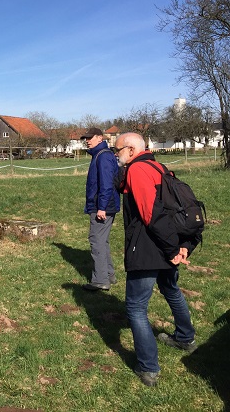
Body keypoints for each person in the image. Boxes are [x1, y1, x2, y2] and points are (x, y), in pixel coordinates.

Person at [114, 132, 198, 387]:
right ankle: (185, 337)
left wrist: (172, 249)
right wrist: (181, 245)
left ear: (131, 150)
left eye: (118, 150)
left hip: (150, 247)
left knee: (136, 307)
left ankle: (148, 367)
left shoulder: (138, 170)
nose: (116, 154)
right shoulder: (158, 167)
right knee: (171, 289)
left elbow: (151, 213)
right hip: (168, 244)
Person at [80, 127, 120, 291]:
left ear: (100, 138)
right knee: (102, 241)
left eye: (90, 138)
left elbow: (106, 184)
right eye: (86, 138)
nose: (87, 141)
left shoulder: (103, 156)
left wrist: (101, 207)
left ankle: (101, 280)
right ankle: (109, 275)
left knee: (96, 241)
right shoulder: (100, 155)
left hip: (102, 206)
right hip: (103, 205)